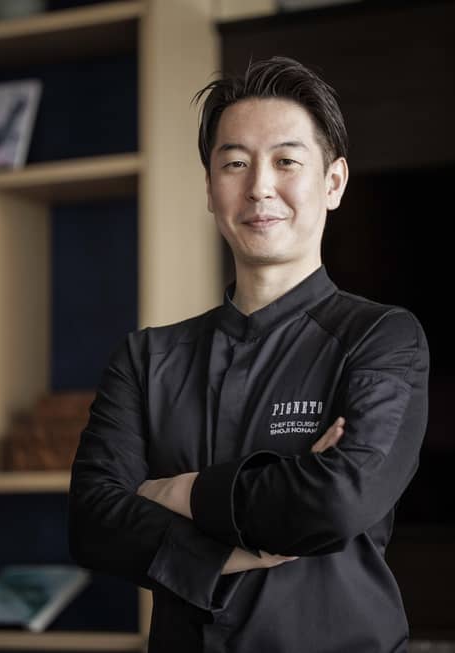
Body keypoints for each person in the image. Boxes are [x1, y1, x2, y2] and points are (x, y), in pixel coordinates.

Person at [68, 57, 429, 652]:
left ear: (333, 182)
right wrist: (240, 550)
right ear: (210, 189)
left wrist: (176, 493)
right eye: (234, 163)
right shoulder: (146, 357)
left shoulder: (381, 338)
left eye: (286, 161)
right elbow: (92, 522)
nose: (259, 186)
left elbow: (337, 501)